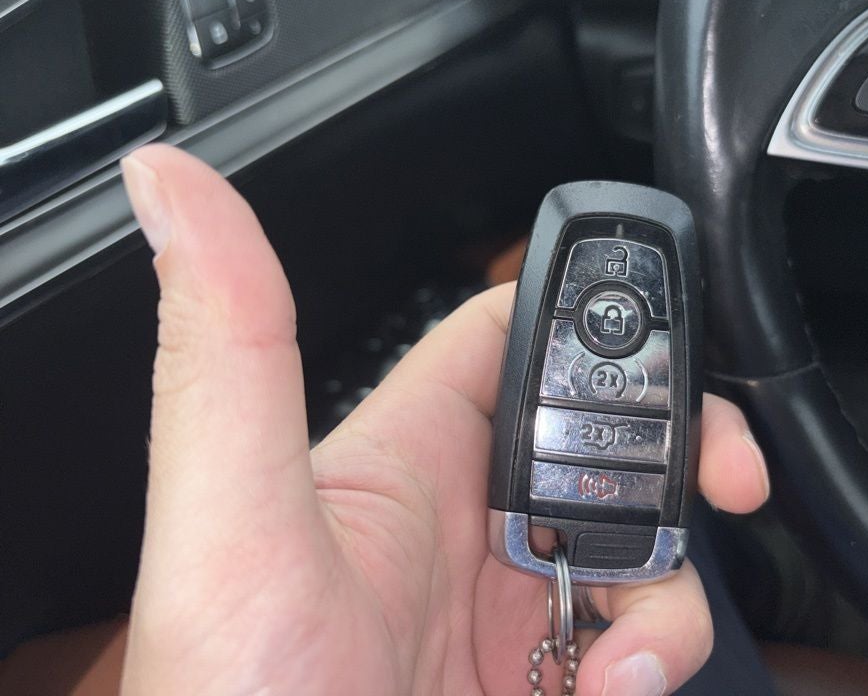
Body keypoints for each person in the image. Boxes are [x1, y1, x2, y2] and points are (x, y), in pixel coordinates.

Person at [117, 145, 772, 695]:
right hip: (561, 528)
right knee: (709, 543)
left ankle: (744, 565)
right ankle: (750, 567)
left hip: (547, 538)